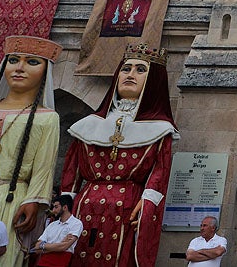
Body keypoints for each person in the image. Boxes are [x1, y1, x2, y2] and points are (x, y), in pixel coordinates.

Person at [61, 43, 178, 267]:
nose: (130, 75)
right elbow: (71, 172)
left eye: (140, 70)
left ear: (153, 81)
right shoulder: (88, 125)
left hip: (127, 208)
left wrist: (148, 201)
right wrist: (65, 203)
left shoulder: (160, 129)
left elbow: (159, 172)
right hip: (84, 207)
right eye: (126, 69)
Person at [0, 35, 61, 267]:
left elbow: (44, 167)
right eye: (13, 60)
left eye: (32, 62)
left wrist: (33, 201)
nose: (19, 68)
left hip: (12, 200)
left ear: (45, 71)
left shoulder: (48, 118)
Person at [29, 195, 83, 267]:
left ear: (65, 207)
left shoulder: (76, 223)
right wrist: (58, 245)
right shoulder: (52, 225)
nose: (53, 210)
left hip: (60, 263)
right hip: (42, 263)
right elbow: (37, 248)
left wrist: (43, 246)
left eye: (56, 207)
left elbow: (64, 247)